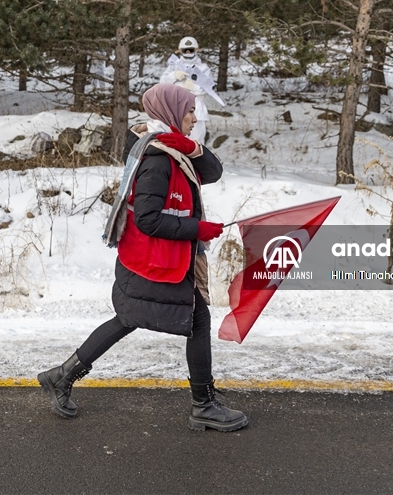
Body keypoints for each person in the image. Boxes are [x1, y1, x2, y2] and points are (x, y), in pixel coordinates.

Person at [37, 83, 248, 432]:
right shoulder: (158, 158)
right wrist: (198, 228)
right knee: (191, 320)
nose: (195, 118)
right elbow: (148, 219)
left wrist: (192, 146)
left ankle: (62, 375)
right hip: (158, 257)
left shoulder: (170, 150)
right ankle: (203, 405)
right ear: (170, 112)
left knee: (132, 317)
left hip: (155, 257)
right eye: (189, 111)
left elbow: (212, 172)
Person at [159, 37, 223, 145]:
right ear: (180, 51)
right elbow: (162, 83)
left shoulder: (203, 68)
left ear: (196, 50)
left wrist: (194, 87)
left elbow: (208, 88)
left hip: (196, 110)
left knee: (196, 143)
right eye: (185, 50)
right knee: (174, 143)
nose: (188, 53)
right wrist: (173, 76)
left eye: (191, 50)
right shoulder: (173, 66)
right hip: (175, 109)